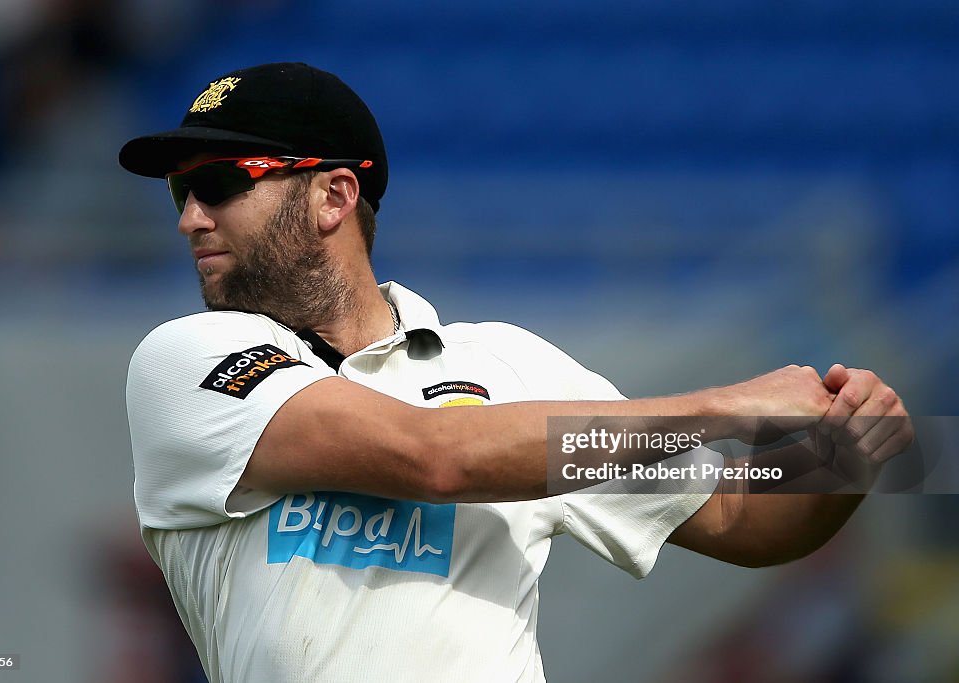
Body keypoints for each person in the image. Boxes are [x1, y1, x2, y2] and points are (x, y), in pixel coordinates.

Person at [120, 63, 913, 683]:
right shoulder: (186, 362)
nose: (192, 216)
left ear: (334, 195)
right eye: (181, 190)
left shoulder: (508, 366)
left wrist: (843, 453)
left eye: (222, 184)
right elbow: (434, 457)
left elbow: (743, 518)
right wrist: (731, 406)